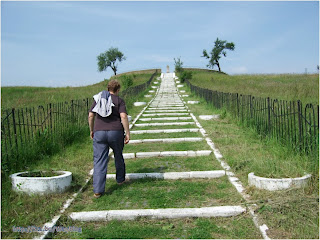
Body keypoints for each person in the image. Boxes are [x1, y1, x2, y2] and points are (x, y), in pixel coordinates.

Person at [88, 79, 130, 198]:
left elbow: (91, 115)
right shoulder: (119, 100)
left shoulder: (98, 99)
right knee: (118, 155)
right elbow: (123, 116)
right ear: (118, 90)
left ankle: (98, 190)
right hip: (116, 132)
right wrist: (127, 132)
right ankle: (120, 180)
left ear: (108, 89)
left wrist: (92, 130)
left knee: (99, 160)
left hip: (99, 132)